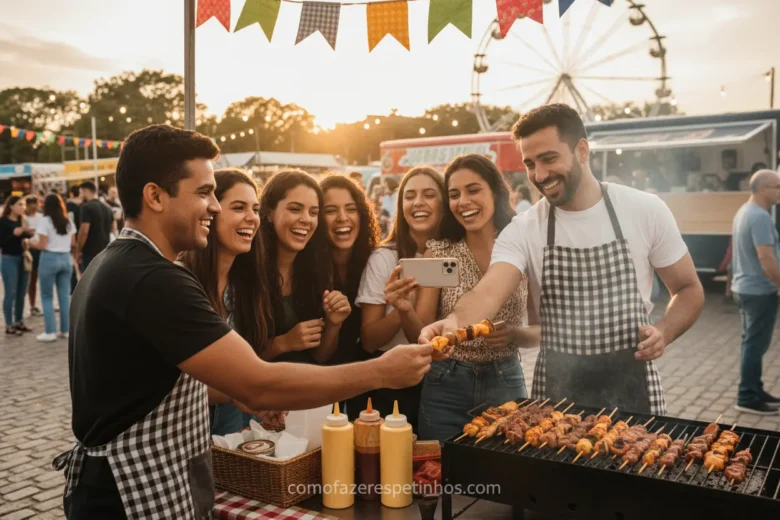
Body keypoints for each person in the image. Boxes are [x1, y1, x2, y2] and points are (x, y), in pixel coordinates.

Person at [54, 124, 433, 519]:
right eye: (204, 193)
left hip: (114, 489)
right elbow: (259, 383)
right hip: (134, 496)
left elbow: (154, 387)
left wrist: (233, 394)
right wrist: (381, 371)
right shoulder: (154, 277)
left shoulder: (112, 261)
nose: (215, 206)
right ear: (155, 196)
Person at [421, 104, 704, 416]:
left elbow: (688, 288)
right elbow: (488, 291)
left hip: (634, 391)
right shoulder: (525, 229)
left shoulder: (645, 209)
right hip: (557, 401)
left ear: (581, 150)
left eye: (549, 158)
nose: (540, 175)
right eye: (530, 164)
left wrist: (664, 330)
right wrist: (455, 322)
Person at [413, 155, 531, 442]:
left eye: (473, 190)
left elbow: (544, 330)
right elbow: (422, 329)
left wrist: (514, 334)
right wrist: (405, 309)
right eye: (454, 194)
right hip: (445, 382)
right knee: (438, 473)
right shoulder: (439, 253)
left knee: (508, 477)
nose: (463, 201)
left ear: (495, 191)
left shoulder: (523, 247)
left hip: (505, 378)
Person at [179, 168, 274, 435]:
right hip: (186, 433)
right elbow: (173, 385)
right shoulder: (179, 280)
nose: (251, 218)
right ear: (210, 212)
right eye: (238, 207)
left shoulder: (246, 284)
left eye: (255, 209)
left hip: (234, 427)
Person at [356, 166, 445, 431]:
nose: (418, 202)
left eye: (429, 194)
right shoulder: (384, 258)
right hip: (389, 384)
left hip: (439, 382)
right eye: (409, 196)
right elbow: (370, 341)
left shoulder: (452, 257)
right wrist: (400, 309)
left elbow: (426, 339)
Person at [259, 170, 351, 364]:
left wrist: (334, 323)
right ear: (268, 212)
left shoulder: (317, 271)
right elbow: (232, 366)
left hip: (305, 388)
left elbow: (319, 357)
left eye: (314, 212)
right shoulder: (247, 270)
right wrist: (282, 343)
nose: (306, 220)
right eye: (295, 209)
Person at [319, 174, 381, 419]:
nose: (342, 218)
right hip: (320, 392)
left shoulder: (376, 262)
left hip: (370, 391)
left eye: (351, 209)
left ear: (362, 215)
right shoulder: (305, 270)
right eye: (330, 210)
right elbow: (320, 356)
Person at [730, 169, 780, 415]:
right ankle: (747, 396)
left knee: (751, 343)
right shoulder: (760, 216)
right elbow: (766, 257)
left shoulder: (743, 211)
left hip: (744, 288)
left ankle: (755, 389)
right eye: (777, 186)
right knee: (755, 344)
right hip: (759, 291)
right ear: (762, 188)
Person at [30, 194, 76, 342]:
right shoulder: (68, 221)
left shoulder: (45, 221)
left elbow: (41, 245)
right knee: (64, 296)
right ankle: (66, 329)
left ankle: (50, 331)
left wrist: (30, 243)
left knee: (47, 296)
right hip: (66, 258)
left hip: (49, 258)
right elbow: (73, 243)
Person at [0, 196, 35, 335]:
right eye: (20, 204)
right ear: (11, 206)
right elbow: (2, 242)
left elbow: (24, 239)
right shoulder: (3, 222)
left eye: (24, 205)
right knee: (11, 292)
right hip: (9, 259)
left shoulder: (22, 220)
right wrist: (13, 234)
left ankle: (19, 321)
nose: (23, 207)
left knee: (22, 292)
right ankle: (9, 324)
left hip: (23, 258)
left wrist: (28, 233)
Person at [77, 181, 115, 271]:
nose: (80, 196)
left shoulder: (86, 207)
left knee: (89, 282)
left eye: (81, 193)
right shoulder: (107, 208)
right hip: (105, 251)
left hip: (90, 253)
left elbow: (84, 231)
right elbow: (113, 228)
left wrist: (78, 250)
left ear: (86, 191)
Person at [24, 196, 44, 317]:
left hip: (40, 249)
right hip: (29, 250)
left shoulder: (41, 217)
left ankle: (37, 305)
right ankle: (32, 305)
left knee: (40, 279)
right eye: (32, 204)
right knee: (31, 279)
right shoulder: (24, 218)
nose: (35, 207)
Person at [66, 186, 83, 291]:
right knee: (81, 266)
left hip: (70, 238)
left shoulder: (67, 206)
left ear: (71, 193)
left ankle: (74, 289)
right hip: (81, 238)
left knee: (72, 264)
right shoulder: (83, 205)